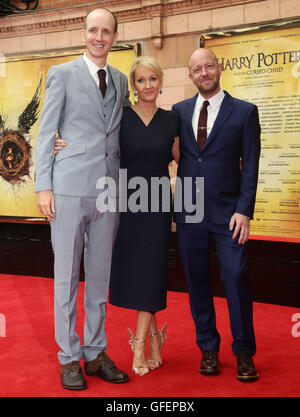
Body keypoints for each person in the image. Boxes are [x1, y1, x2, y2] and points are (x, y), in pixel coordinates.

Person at [55, 56, 179, 376]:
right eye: (141, 80)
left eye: (153, 79)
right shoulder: (121, 116)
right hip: (123, 202)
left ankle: (139, 344)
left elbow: (185, 159)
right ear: (132, 86)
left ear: (161, 82)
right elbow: (93, 136)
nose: (147, 85)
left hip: (157, 204)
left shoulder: (172, 119)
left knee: (152, 270)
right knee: (138, 272)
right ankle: (153, 339)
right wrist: (60, 144)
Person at [35, 8, 130, 390]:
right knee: (66, 277)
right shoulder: (61, 74)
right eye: (93, 30)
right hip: (69, 187)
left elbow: (120, 131)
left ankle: (95, 351)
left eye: (106, 31)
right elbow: (46, 131)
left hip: (108, 192)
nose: (99, 37)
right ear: (84, 33)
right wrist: (44, 185)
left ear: (114, 36)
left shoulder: (121, 80)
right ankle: (68, 357)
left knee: (100, 277)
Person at [172, 48, 261, 382]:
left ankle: (244, 353)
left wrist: (244, 210)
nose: (204, 72)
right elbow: (151, 141)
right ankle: (208, 348)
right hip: (189, 211)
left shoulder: (244, 112)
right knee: (196, 280)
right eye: (197, 69)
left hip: (229, 214)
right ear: (191, 75)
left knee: (236, 276)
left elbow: (251, 163)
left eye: (209, 66)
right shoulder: (178, 112)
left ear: (219, 68)